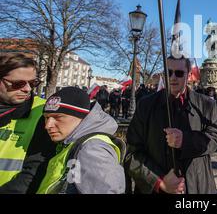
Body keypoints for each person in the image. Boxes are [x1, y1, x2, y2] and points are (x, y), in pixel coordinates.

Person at [125, 56, 217, 194]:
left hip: (197, 186)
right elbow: (132, 154)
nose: (172, 77)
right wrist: (159, 181)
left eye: (179, 73)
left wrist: (186, 140)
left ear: (189, 75)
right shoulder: (146, 105)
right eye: (168, 72)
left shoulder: (207, 104)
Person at [37, 87, 125, 194]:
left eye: (58, 117)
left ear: (81, 117)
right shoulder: (74, 142)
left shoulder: (92, 149)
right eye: (46, 117)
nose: (47, 125)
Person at [0, 53, 55, 194]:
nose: (27, 89)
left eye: (33, 83)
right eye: (18, 84)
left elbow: (34, 171)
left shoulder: (43, 112)